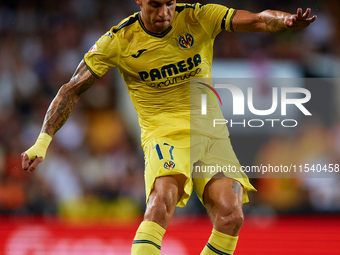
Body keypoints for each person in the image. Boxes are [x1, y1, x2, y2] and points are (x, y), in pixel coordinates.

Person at [21, 1, 316, 254]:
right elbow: (71, 89)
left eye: (169, 4)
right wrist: (43, 141)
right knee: (162, 202)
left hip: (210, 132)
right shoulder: (119, 40)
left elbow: (258, 20)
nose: (164, 13)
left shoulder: (198, 16)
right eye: (155, 5)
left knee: (231, 215)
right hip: (164, 133)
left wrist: (286, 21)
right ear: (140, 1)